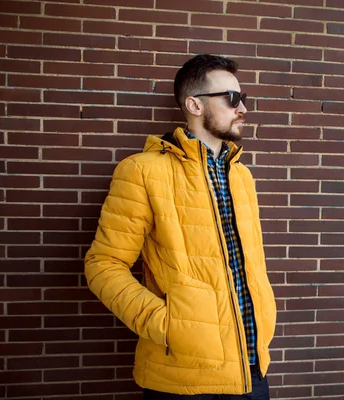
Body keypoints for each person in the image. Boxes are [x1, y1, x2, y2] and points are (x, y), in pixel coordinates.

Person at [84, 54, 277, 399]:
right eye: (232, 99)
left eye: (244, 98)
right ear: (195, 105)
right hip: (183, 377)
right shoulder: (142, 171)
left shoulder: (241, 176)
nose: (243, 108)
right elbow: (103, 265)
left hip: (251, 370)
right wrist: (168, 324)